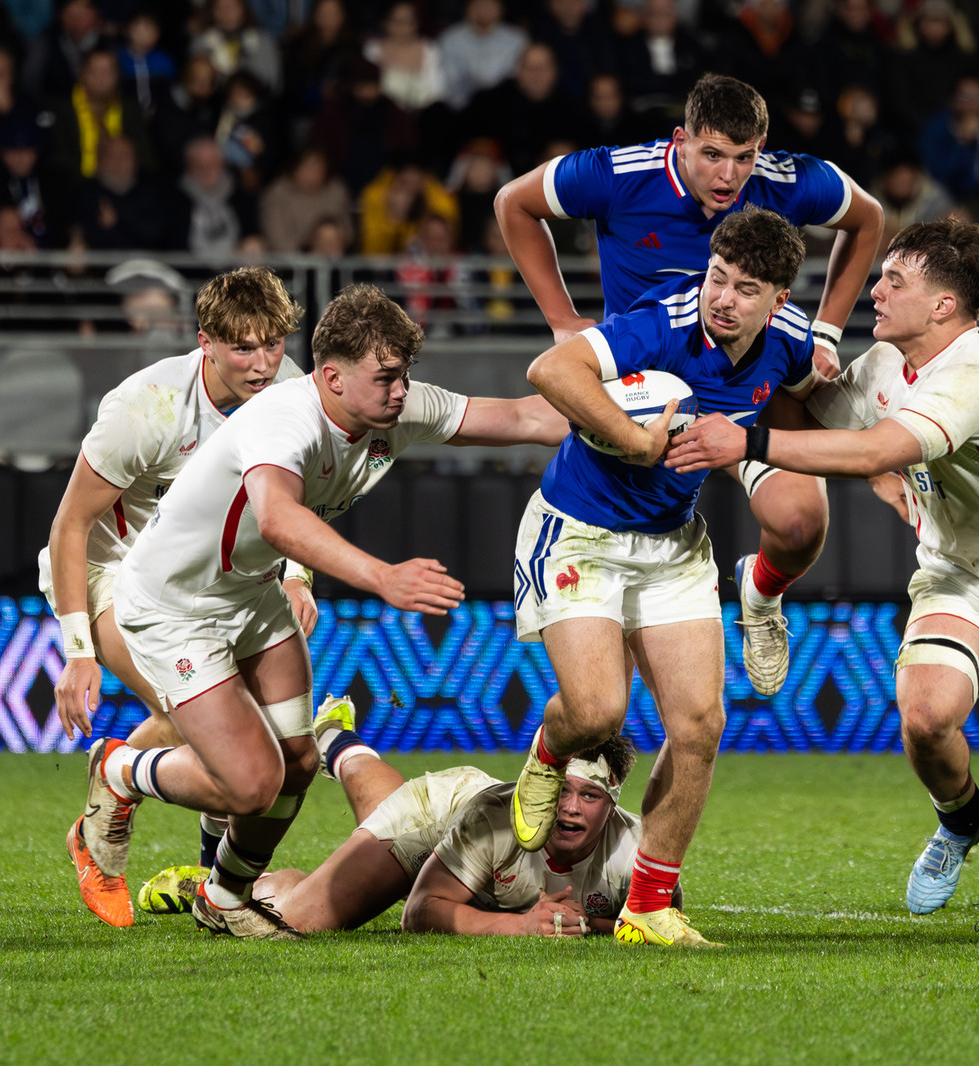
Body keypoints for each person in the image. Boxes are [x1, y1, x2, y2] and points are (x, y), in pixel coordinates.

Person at [666, 220, 979, 946]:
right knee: (925, 714)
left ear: (942, 306)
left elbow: (879, 442)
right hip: (959, 577)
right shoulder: (884, 362)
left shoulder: (976, 377)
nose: (873, 290)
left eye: (893, 281)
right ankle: (960, 820)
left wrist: (746, 442)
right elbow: (815, 412)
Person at [79, 284, 569, 939]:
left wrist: (627, 412)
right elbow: (279, 519)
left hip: (248, 594)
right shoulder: (286, 419)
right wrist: (382, 577)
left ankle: (223, 895)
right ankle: (117, 771)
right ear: (332, 377)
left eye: (405, 376)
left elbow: (522, 419)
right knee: (254, 785)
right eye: (386, 378)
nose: (401, 391)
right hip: (176, 605)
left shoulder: (391, 407)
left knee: (301, 762)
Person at [494, 72, 884, 698]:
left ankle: (759, 598)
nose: (729, 175)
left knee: (802, 520)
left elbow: (869, 220)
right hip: (648, 386)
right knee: (519, 421)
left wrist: (831, 332)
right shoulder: (617, 174)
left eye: (743, 157)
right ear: (680, 141)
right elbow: (513, 202)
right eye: (712, 154)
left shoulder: (790, 180)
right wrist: (564, 320)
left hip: (751, 378)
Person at [512, 206, 820, 948]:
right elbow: (550, 369)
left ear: (779, 301)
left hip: (672, 545)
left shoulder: (791, 343)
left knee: (700, 725)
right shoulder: (663, 320)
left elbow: (818, 390)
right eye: (719, 277)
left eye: (747, 289)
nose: (723, 298)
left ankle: (647, 908)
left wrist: (884, 464)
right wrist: (633, 440)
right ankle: (550, 752)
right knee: (596, 715)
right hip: (578, 529)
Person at [52, 267, 312, 929]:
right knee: (192, 710)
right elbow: (70, 526)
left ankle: (198, 869)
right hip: (119, 575)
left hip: (208, 579)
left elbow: (280, 499)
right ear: (206, 343)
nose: (262, 364)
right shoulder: (146, 409)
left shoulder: (287, 391)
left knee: (242, 733)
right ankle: (106, 805)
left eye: (274, 344)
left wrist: (296, 576)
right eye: (243, 348)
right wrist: (78, 649)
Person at [141, 708, 643, 937]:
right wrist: (520, 926)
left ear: (614, 801)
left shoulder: (637, 846)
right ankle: (224, 885)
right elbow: (420, 911)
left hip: (472, 835)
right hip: (441, 814)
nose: (572, 808)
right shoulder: (496, 821)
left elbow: (651, 921)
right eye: (561, 792)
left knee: (380, 806)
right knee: (301, 920)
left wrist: (588, 925)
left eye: (591, 795)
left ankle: (335, 738)